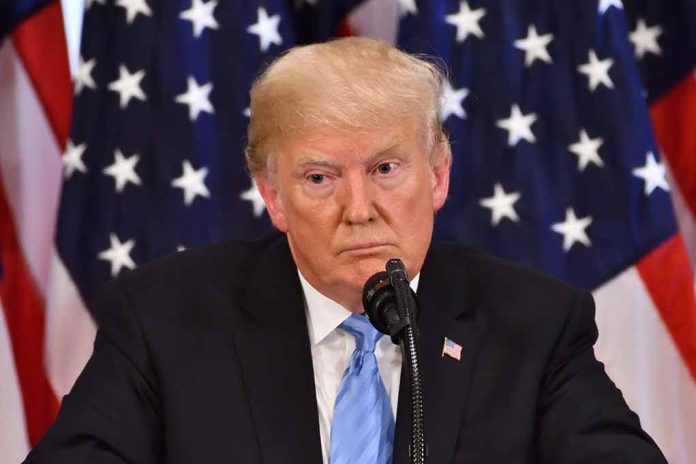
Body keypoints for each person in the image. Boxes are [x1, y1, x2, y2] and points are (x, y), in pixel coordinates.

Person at [25, 37, 666, 463]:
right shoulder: (163, 320)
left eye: (386, 168)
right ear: (273, 197)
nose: (358, 209)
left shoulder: (534, 323)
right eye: (320, 178)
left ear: (438, 176)